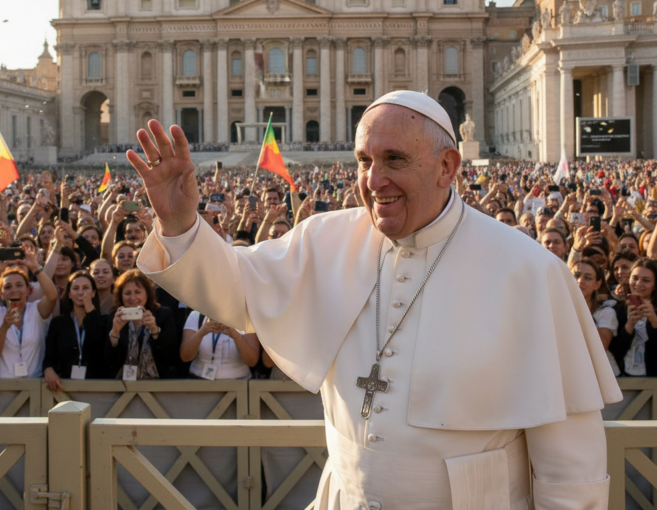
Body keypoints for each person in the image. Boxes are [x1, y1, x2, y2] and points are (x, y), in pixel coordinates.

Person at [132, 91, 621, 509]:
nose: (373, 180)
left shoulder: (530, 272)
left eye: (395, 160)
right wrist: (180, 224)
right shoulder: (326, 239)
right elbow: (235, 290)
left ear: (447, 167)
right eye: (364, 161)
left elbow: (570, 468)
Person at [0, 250, 58, 378]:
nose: (14, 290)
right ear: (1, 294)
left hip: (33, 386)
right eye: (8, 287)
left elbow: (52, 297)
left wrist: (35, 267)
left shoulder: (36, 311)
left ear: (28, 290)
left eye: (19, 285)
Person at [105, 269, 177, 380]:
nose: (132, 298)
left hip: (156, 383)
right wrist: (115, 332)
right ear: (121, 296)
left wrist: (155, 330)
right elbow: (109, 362)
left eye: (138, 292)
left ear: (147, 293)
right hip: (122, 384)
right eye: (127, 293)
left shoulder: (163, 315)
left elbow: (171, 357)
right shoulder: (115, 317)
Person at [43, 270, 108, 389]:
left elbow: (97, 338)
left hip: (97, 386)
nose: (81, 292)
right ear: (69, 294)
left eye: (86, 288)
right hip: (64, 386)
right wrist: (48, 369)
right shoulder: (58, 323)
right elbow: (49, 357)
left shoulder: (104, 320)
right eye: (76, 288)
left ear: (93, 293)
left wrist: (89, 309)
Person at [572, 258, 620, 377]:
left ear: (597, 284)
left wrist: (581, 309)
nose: (580, 281)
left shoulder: (606, 312)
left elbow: (601, 346)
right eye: (576, 275)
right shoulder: (556, 308)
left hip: (602, 377)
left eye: (587, 278)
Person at [611, 258, 657, 377]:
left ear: (654, 286)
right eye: (635, 278)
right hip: (624, 378)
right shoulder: (618, 310)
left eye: (646, 280)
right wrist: (630, 324)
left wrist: (654, 321)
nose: (638, 284)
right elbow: (615, 352)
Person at [180, 313, 259, 380]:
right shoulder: (196, 315)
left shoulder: (245, 318)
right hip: (199, 382)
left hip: (238, 384)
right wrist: (201, 333)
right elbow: (185, 357)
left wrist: (236, 336)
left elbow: (252, 362)